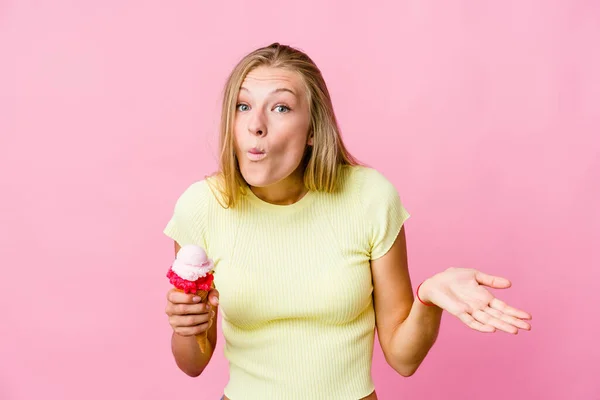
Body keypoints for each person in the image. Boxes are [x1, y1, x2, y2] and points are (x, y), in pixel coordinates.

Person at [163, 43, 532, 400]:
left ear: (312, 130)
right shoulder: (202, 207)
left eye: (280, 107)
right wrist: (186, 327)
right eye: (243, 106)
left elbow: (404, 359)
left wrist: (428, 298)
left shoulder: (369, 197)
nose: (255, 124)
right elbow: (193, 362)